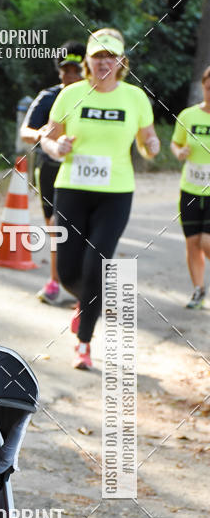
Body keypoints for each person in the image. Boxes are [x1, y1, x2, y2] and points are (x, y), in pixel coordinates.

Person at [41, 28, 160, 369]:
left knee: (97, 264)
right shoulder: (70, 94)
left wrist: (151, 148)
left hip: (116, 193)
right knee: (67, 271)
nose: (105, 62)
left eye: (112, 56)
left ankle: (84, 343)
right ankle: (86, 301)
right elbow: (49, 139)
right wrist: (56, 147)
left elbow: (147, 141)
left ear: (122, 61)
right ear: (88, 61)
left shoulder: (135, 98)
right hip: (72, 188)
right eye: (98, 56)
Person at [20, 42, 86, 304]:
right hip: (50, 171)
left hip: (83, 173)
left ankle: (81, 288)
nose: (70, 76)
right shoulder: (49, 97)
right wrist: (41, 134)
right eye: (65, 70)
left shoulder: (94, 97)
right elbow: (26, 131)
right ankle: (55, 283)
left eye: (76, 71)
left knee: (82, 230)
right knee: (57, 229)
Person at [170, 64, 210, 309]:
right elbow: (175, 144)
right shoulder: (187, 116)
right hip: (191, 189)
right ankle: (198, 290)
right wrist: (180, 152)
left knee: (207, 242)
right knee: (192, 243)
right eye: (209, 88)